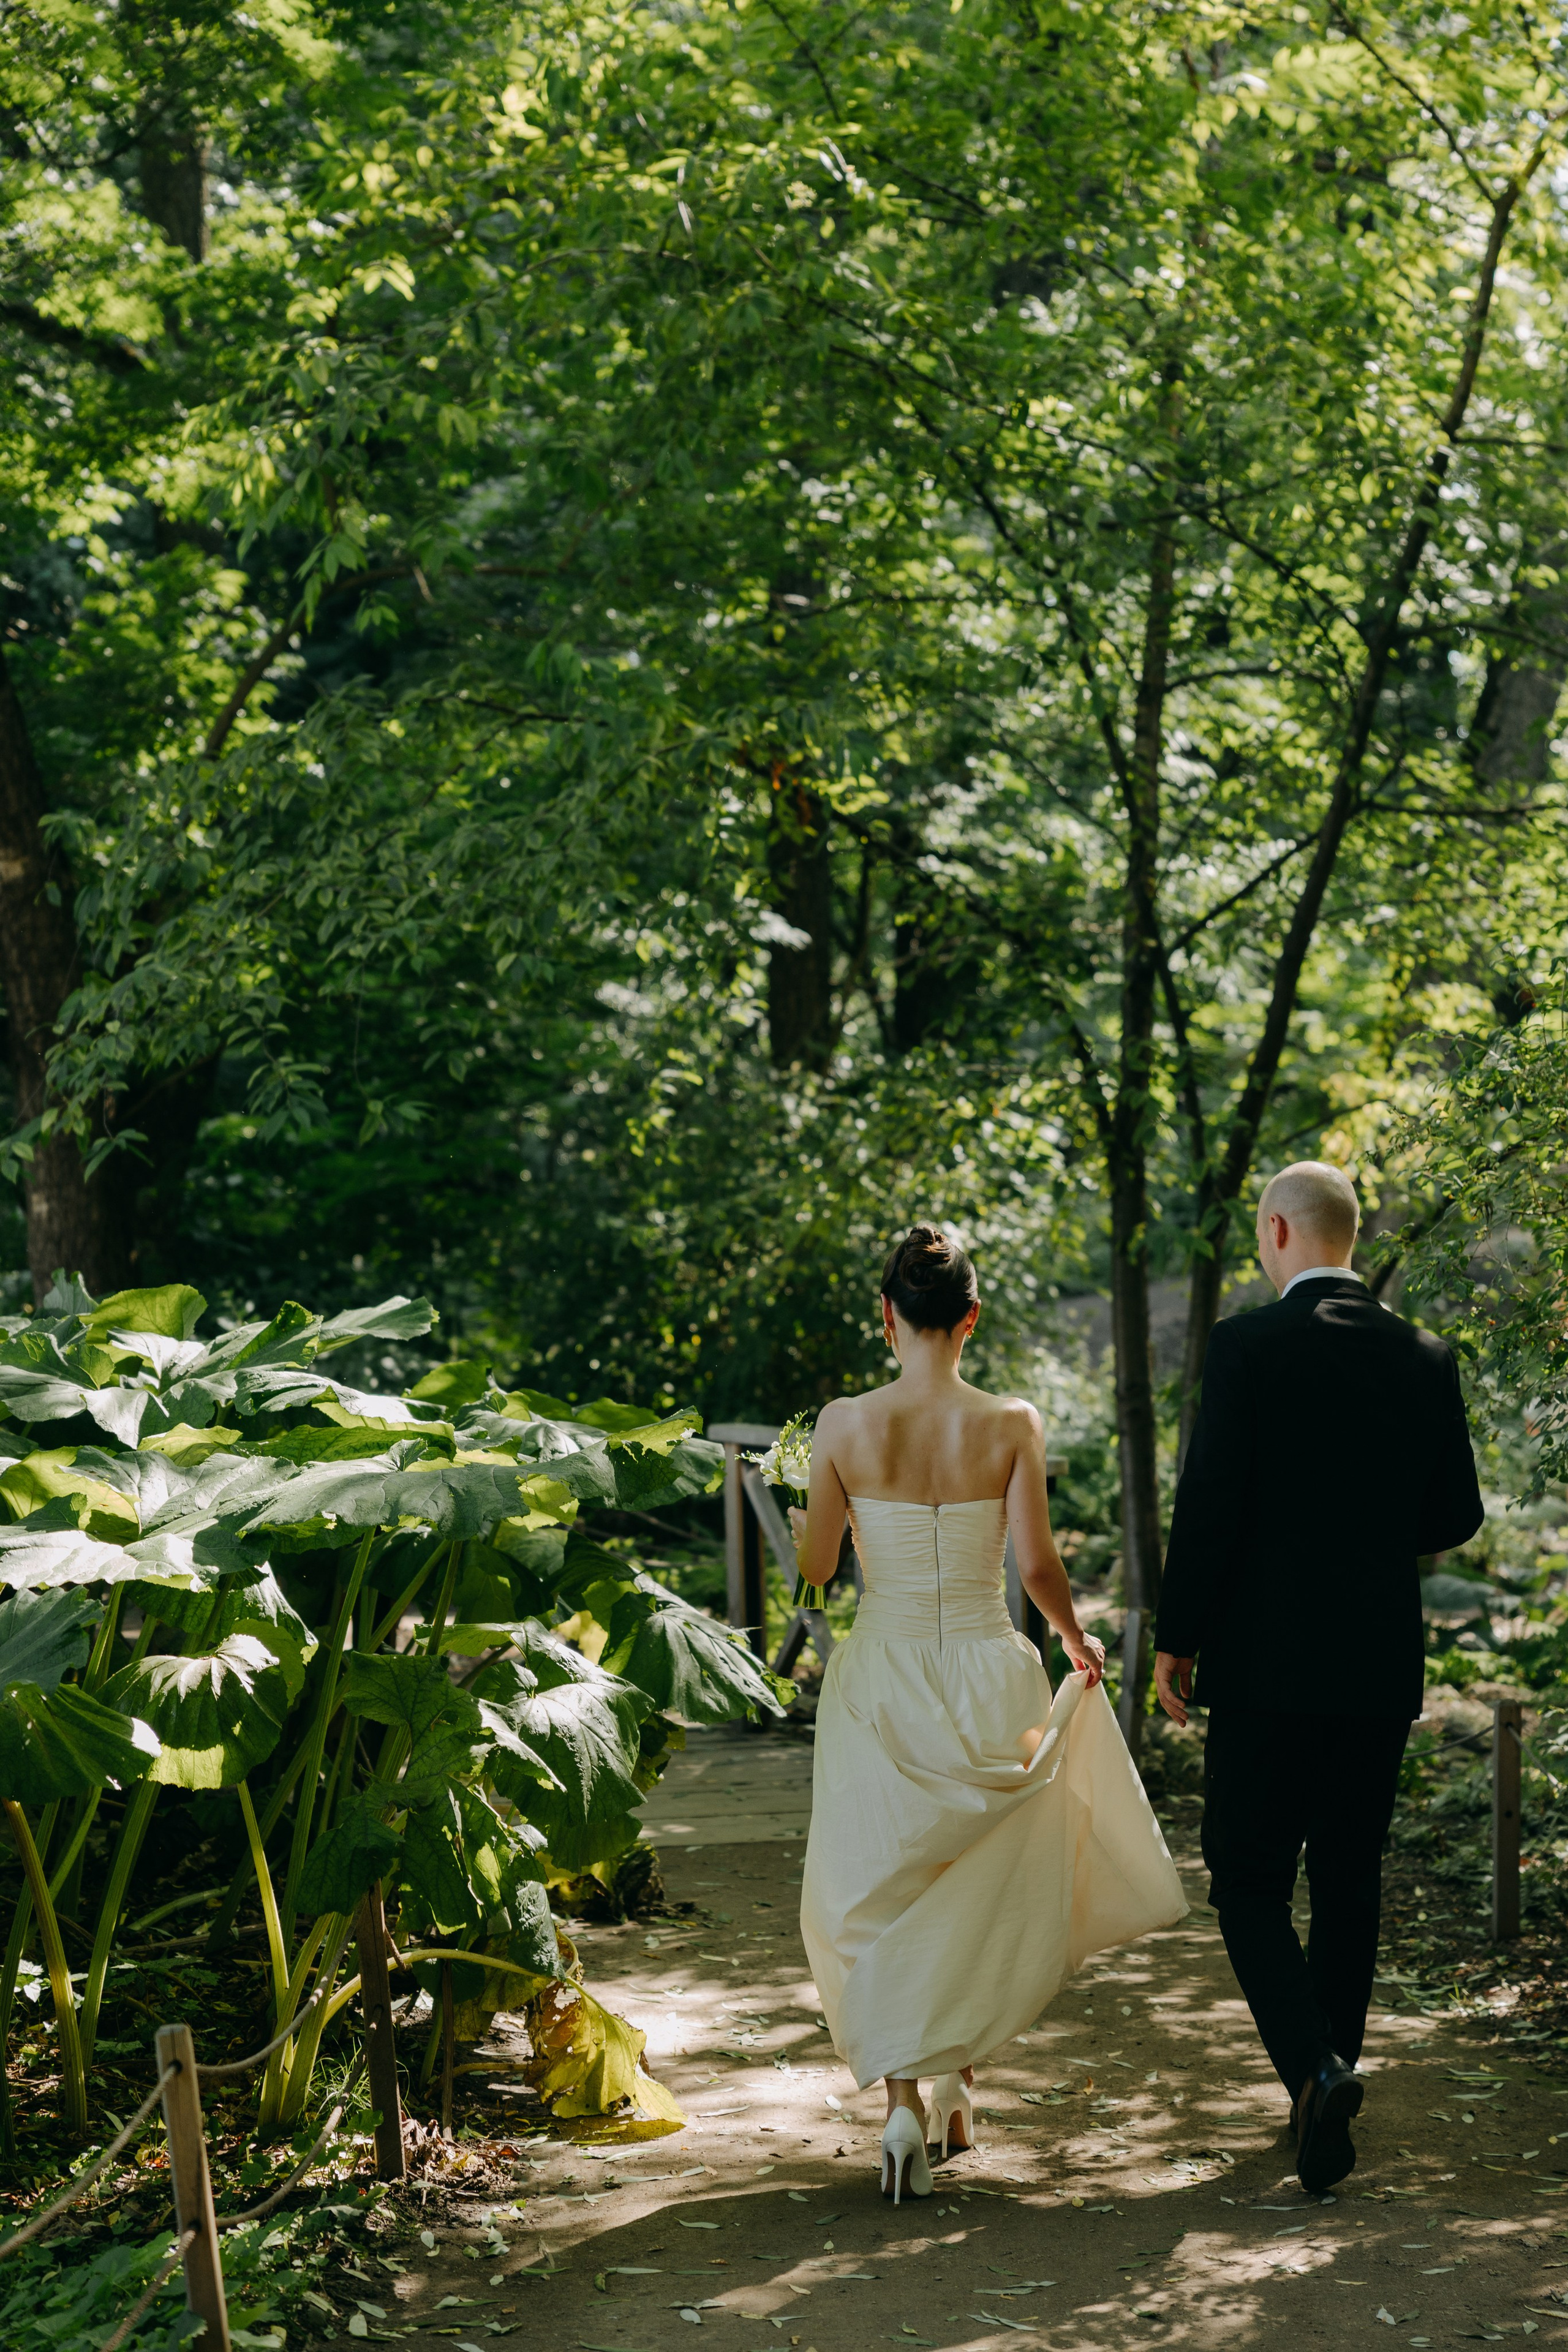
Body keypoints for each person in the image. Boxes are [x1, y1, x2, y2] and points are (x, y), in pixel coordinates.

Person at [792, 1225, 1187, 2204]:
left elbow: (815, 1566)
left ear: (886, 1316)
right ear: (971, 1317)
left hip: (882, 1670)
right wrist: (1073, 1638)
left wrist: (813, 1496)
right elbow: (1038, 1566)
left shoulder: (843, 1424)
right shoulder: (1012, 1420)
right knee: (979, 1870)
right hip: (984, 1667)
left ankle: (904, 2106)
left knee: (881, 1883)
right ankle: (965, 2082)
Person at [1154, 1162, 1483, 2196]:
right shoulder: (1426, 1356)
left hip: (1263, 1663)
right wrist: (1375, 1540)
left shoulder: (1249, 1346)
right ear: (1348, 1234)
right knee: (1348, 1875)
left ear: (1277, 1232)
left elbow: (1210, 1502)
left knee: (1245, 1876)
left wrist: (1180, 1636)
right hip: (1379, 1661)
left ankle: (1316, 2068)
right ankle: (1325, 2087)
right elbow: (1457, 1514)